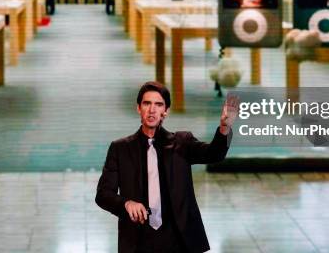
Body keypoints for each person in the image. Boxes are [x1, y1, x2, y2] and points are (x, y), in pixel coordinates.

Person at [95, 81, 239, 253]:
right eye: (147, 103)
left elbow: (214, 154)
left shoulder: (182, 142)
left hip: (179, 240)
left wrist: (224, 128)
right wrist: (125, 204)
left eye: (158, 104)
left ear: (166, 111)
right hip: (137, 240)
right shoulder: (120, 149)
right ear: (138, 108)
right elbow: (103, 194)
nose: (152, 109)